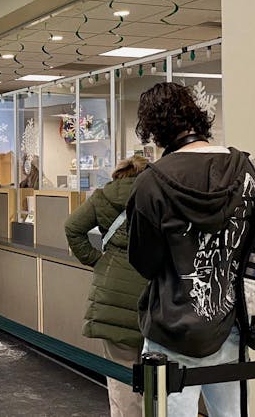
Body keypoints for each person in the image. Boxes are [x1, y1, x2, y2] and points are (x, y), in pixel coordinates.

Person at [126, 82, 255, 417]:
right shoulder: (245, 168)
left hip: (171, 331)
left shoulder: (151, 184)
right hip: (232, 322)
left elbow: (145, 262)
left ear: (155, 132)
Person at [64, 156, 150, 417]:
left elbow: (72, 228)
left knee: (122, 374)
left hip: (111, 288)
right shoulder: (156, 195)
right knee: (156, 374)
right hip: (152, 288)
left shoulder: (104, 196)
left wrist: (98, 261)